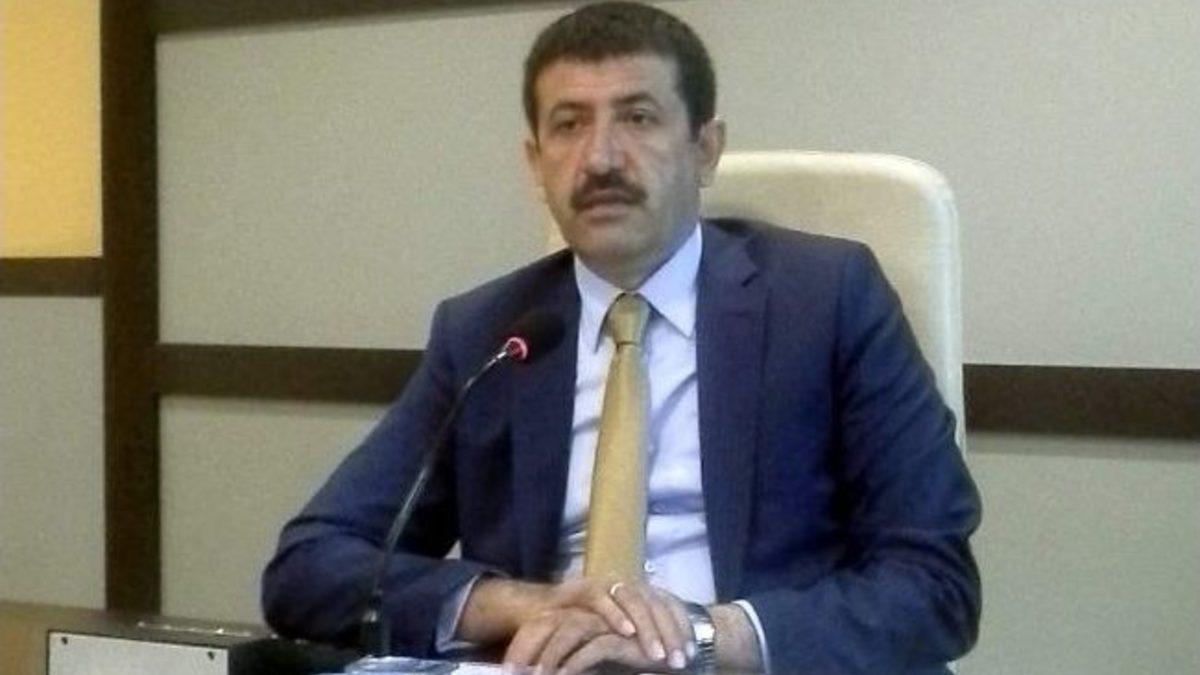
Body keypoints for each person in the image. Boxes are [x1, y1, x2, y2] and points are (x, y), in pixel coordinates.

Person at [262, 3, 981, 673]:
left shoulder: (826, 300)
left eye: (638, 118)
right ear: (536, 163)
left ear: (705, 149)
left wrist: (698, 635)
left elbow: (935, 583)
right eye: (569, 125)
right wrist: (525, 605)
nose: (601, 158)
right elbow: (310, 565)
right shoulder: (488, 332)